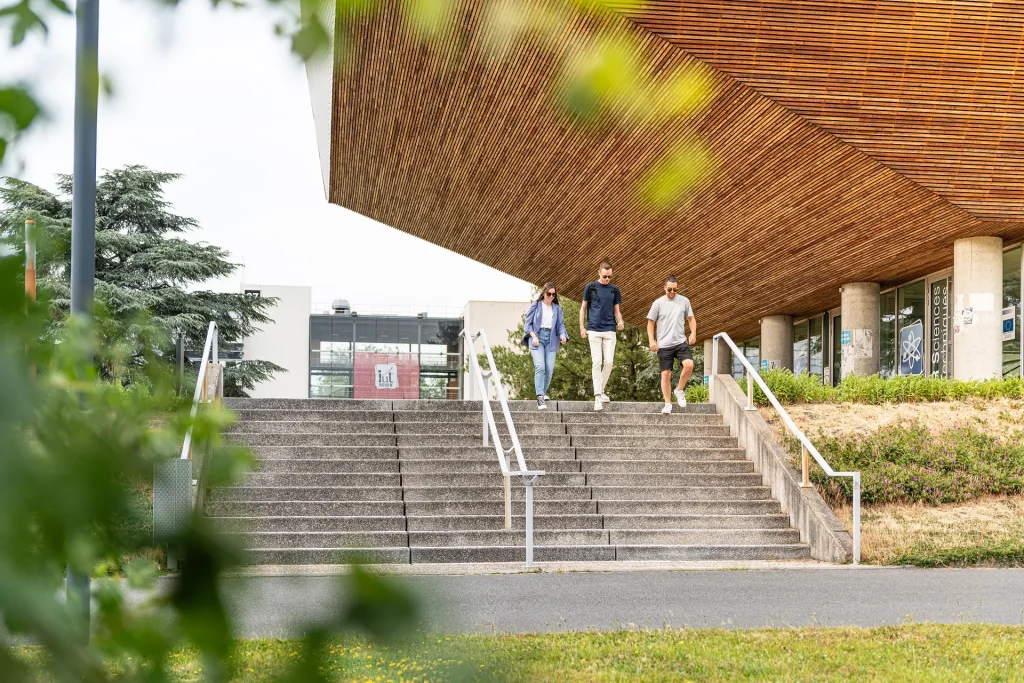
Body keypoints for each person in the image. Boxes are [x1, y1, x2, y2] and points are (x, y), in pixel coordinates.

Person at [647, 274, 697, 414]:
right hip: (664, 344)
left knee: (689, 364)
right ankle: (668, 403)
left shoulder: (684, 301)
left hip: (680, 341)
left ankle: (679, 390)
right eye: (669, 290)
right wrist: (652, 340)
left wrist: (693, 333)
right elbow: (650, 323)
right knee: (666, 374)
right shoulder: (657, 303)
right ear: (664, 288)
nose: (672, 293)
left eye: (675, 290)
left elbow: (691, 319)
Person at [580, 261, 623, 411]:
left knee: (609, 362)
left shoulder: (614, 290)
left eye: (610, 277)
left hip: (610, 330)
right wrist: (582, 327)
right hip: (593, 330)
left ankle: (601, 389)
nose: (607, 279)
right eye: (605, 276)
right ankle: (597, 397)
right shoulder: (590, 287)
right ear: (599, 273)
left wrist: (620, 321)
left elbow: (616, 310)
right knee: (597, 362)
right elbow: (583, 308)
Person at [522, 282, 568, 409]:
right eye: (549, 294)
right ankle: (540, 397)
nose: (551, 296)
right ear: (544, 293)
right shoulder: (536, 305)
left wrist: (563, 335)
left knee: (549, 369)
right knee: (540, 366)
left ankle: (543, 391)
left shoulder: (557, 308)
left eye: (554, 294)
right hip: (537, 337)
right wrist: (534, 336)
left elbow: (560, 325)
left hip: (552, 339)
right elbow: (527, 324)